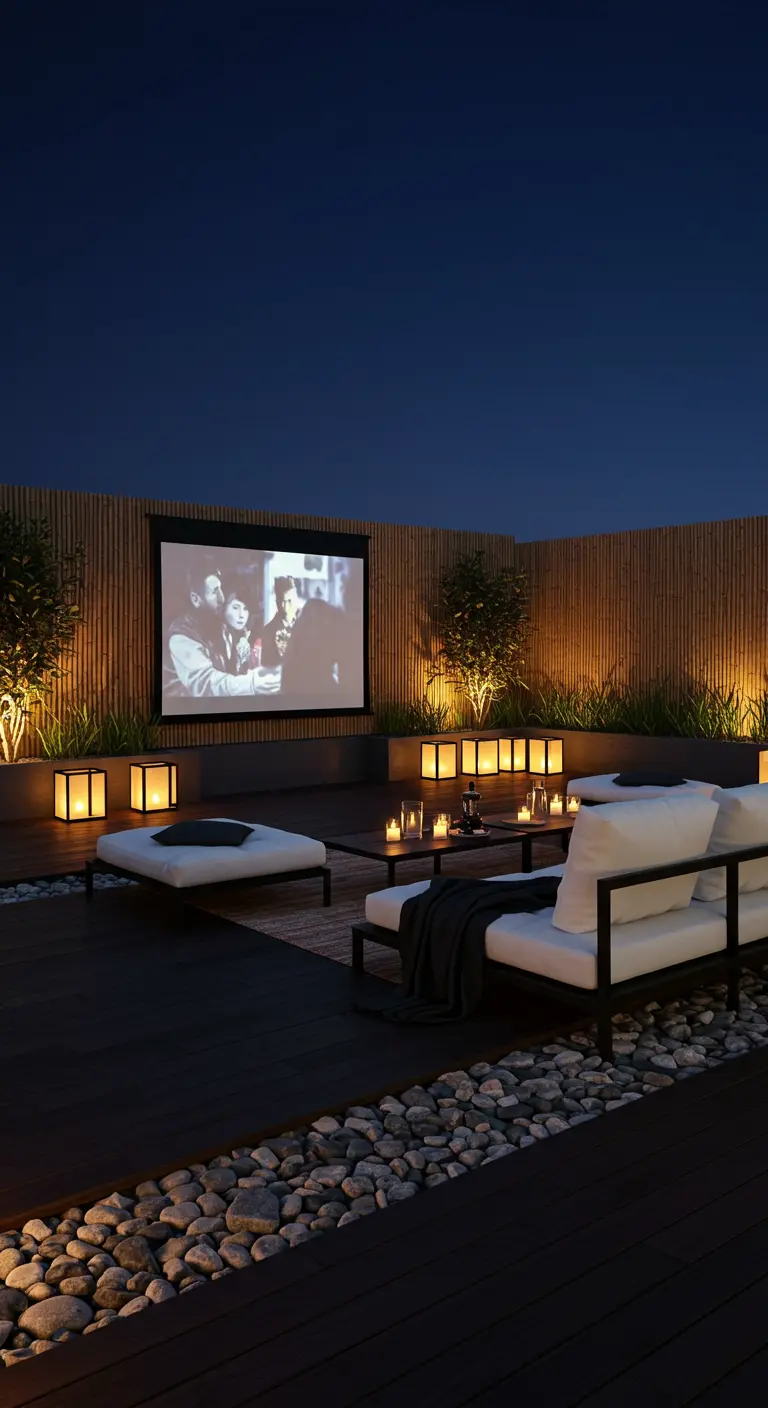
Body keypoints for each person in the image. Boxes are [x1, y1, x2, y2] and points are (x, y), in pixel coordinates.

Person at [165, 564, 274, 697]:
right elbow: (208, 684)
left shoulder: (220, 628)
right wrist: (254, 684)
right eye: (214, 592)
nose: (222, 599)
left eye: (221, 589)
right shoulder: (182, 637)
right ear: (195, 599)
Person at [261, 576, 302, 668]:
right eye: (282, 602)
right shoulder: (268, 631)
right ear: (277, 602)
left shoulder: (310, 625)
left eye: (290, 601)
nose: (286, 608)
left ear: (297, 599)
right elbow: (266, 667)